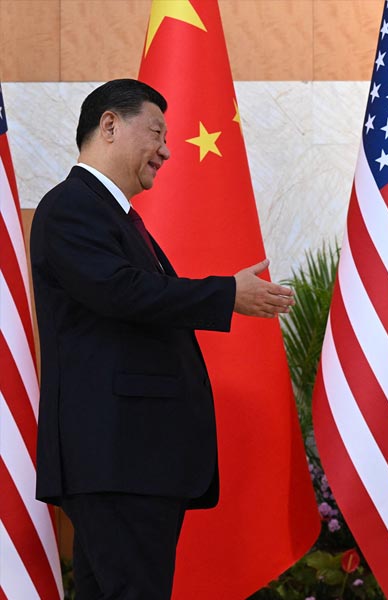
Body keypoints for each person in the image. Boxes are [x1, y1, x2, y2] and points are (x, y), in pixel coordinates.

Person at [30, 79, 295, 599]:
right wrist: (226, 295)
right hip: (116, 458)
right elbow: (122, 292)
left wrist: (223, 294)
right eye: (155, 131)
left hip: (129, 459)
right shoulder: (71, 207)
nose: (167, 150)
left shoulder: (113, 216)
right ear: (109, 125)